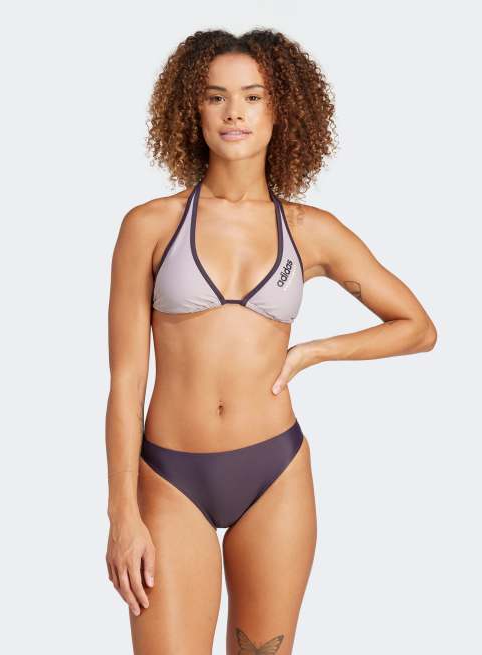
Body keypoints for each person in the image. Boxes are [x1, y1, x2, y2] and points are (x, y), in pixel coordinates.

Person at [105, 28, 437, 655]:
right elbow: (126, 381)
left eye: (253, 97)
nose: (234, 112)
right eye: (216, 96)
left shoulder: (309, 230)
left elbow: (417, 327)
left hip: (275, 473)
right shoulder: (150, 225)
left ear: (281, 109)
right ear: (192, 108)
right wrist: (122, 512)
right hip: (170, 476)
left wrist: (313, 352)